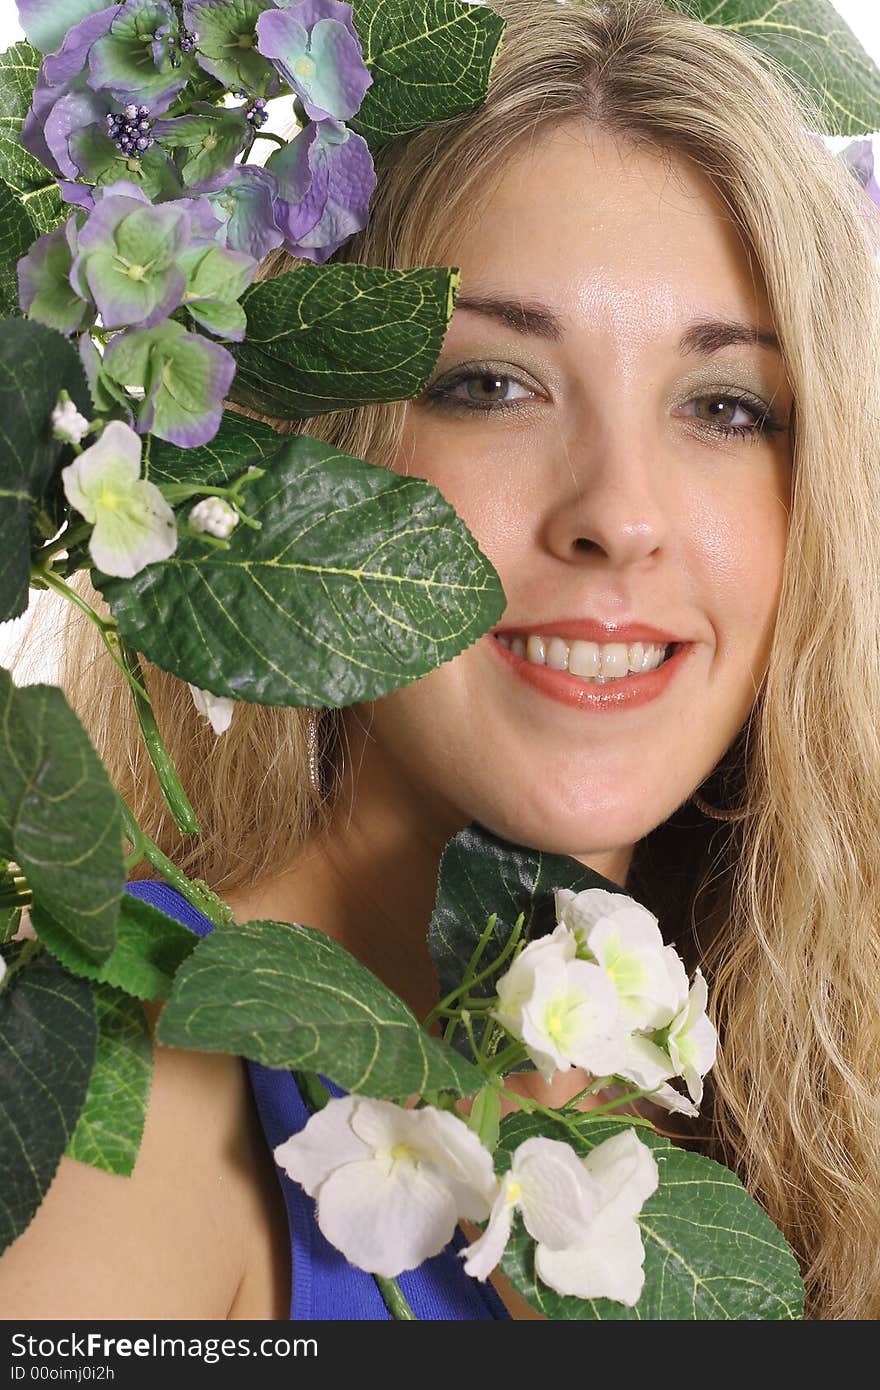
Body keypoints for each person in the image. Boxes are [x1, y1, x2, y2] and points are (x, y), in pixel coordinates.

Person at [3, 0, 879, 1321]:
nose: (620, 512)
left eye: (726, 406)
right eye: (492, 384)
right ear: (316, 457)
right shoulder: (124, 1095)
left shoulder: (811, 1093)